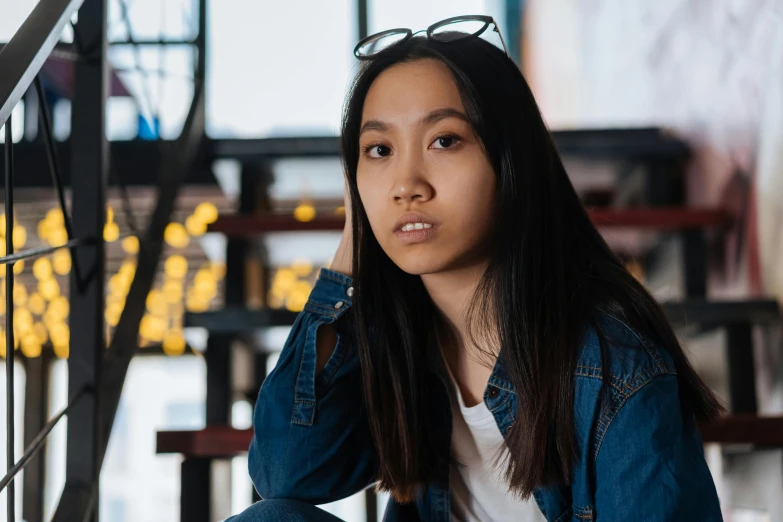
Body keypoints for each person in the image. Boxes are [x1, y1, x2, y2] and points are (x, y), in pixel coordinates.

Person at [227, 14, 725, 522]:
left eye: (444, 140)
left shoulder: (612, 362)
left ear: (510, 160)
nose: (406, 184)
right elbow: (285, 472)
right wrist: (354, 247)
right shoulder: (401, 343)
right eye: (379, 150)